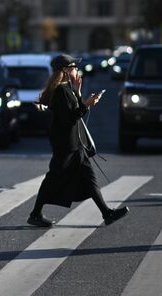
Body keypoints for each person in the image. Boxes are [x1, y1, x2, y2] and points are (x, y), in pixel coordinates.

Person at [27, 54, 129, 228]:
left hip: (75, 143)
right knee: (53, 178)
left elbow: (73, 111)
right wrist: (87, 103)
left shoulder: (66, 88)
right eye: (74, 67)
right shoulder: (60, 90)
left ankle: (107, 213)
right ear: (65, 70)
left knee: (89, 178)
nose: (77, 70)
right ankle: (35, 214)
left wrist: (78, 93)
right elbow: (70, 117)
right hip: (66, 144)